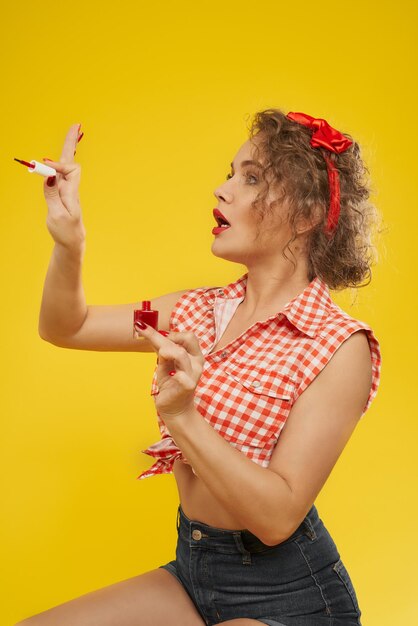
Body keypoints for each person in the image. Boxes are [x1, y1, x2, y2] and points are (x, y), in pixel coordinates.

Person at [16, 109, 381, 626]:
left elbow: (278, 518)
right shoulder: (191, 312)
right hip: (194, 573)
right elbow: (67, 326)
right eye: (230, 172)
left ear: (304, 215)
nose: (221, 190)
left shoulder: (338, 346)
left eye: (250, 178)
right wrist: (68, 242)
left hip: (292, 598)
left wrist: (184, 417)